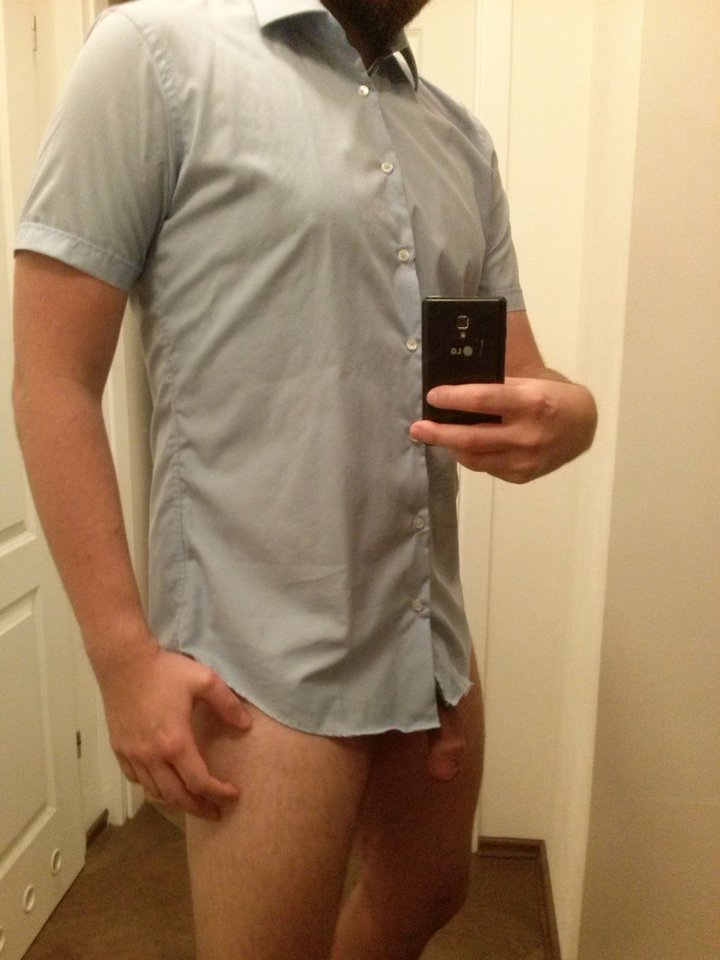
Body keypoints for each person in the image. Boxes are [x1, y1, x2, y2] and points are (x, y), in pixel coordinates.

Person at [12, 0, 597, 957]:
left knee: (431, 893)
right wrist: (122, 657)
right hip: (257, 658)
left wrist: (574, 416)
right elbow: (52, 378)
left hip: (426, 633)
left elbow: (526, 374)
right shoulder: (153, 54)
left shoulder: (461, 140)